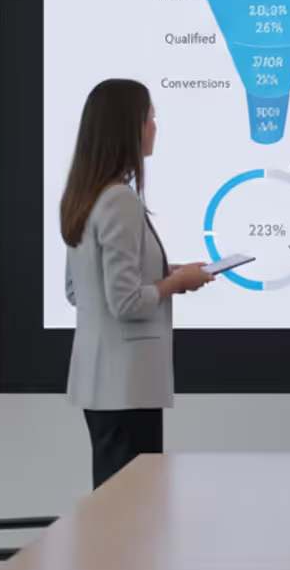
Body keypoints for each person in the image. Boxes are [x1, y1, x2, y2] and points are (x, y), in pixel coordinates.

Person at [60, 79, 215, 488]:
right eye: (150, 119)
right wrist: (175, 283)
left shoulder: (84, 195)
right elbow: (125, 302)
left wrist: (170, 272)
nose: (155, 128)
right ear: (128, 128)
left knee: (116, 504)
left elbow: (78, 290)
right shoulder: (120, 200)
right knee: (133, 509)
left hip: (100, 383)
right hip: (127, 385)